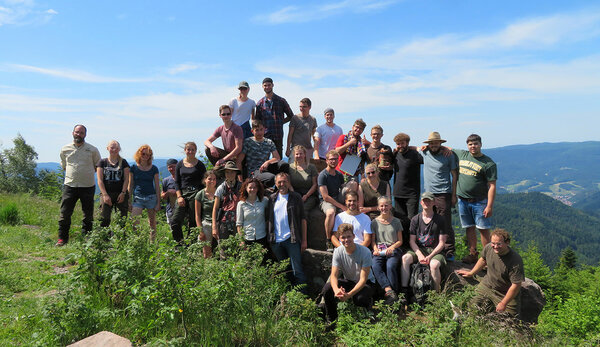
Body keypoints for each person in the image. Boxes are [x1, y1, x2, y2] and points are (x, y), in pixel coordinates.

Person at [456, 229, 524, 316]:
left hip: (504, 292)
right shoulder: (488, 247)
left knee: (510, 321)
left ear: (507, 242)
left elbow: (516, 285)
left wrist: (503, 303)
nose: (495, 246)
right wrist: (471, 273)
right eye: (493, 243)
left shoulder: (515, 260)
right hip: (487, 285)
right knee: (471, 308)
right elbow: (483, 259)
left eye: (499, 244)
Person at [454, 134, 497, 263]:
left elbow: (492, 186)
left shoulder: (488, 163)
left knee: (483, 230)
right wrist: (421, 147)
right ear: (467, 145)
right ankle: (473, 254)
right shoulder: (462, 154)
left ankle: (486, 259)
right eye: (470, 144)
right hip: (463, 200)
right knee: (469, 227)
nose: (473, 146)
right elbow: (445, 148)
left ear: (481, 144)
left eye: (476, 144)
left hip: (480, 202)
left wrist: (489, 206)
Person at [320, 223, 376, 322]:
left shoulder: (365, 252)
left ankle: (367, 313)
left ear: (354, 236)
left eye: (349, 236)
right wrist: (337, 290)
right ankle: (331, 319)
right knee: (327, 289)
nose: (346, 240)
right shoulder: (338, 251)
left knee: (359, 299)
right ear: (339, 239)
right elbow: (333, 275)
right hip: (349, 281)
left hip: (366, 283)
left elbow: (363, 280)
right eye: (343, 237)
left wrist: (349, 295)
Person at [56, 124, 101, 246]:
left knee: (88, 214)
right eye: (77, 132)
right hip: (70, 185)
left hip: (87, 186)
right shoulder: (65, 149)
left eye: (81, 133)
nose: (79, 134)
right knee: (65, 212)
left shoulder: (92, 150)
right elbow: (64, 165)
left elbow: (98, 166)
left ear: (85, 135)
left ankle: (87, 239)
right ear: (72, 133)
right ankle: (62, 239)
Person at [420, 132, 458, 259]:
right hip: (429, 192)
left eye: (436, 142)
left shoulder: (448, 155)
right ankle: (435, 247)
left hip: (443, 192)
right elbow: (411, 147)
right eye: (431, 143)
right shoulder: (425, 152)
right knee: (430, 220)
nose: (433, 145)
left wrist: (453, 195)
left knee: (445, 221)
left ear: (440, 143)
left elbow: (454, 175)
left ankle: (448, 250)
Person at [400, 192, 448, 293]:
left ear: (434, 203)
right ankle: (404, 291)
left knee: (434, 265)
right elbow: (412, 241)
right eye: (424, 200)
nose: (427, 202)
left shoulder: (440, 220)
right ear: (421, 202)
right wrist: (419, 255)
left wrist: (430, 256)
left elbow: (442, 243)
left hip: (435, 252)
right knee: (405, 258)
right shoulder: (415, 219)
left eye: (429, 201)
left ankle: (436, 294)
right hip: (419, 249)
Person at [266, 173, 307, 288]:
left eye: (284, 181)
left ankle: (302, 298)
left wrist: (304, 240)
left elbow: (303, 219)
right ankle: (289, 297)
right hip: (276, 241)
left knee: (297, 270)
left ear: (289, 183)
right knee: (285, 271)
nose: (282, 184)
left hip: (292, 239)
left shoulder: (296, 197)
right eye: (279, 182)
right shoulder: (272, 198)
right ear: (275, 183)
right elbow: (268, 219)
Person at [170, 142, 206, 244]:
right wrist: (179, 197)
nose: (190, 152)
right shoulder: (180, 164)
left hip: (196, 193)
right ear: (185, 150)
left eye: (192, 150)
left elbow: (204, 182)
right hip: (183, 194)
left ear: (195, 151)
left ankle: (191, 245)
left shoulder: (200, 165)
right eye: (188, 149)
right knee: (175, 221)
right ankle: (180, 244)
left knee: (193, 221)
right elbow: (177, 182)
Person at [236, 119, 289, 188]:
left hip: (266, 168)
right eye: (257, 130)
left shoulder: (269, 142)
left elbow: (277, 158)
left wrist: (268, 162)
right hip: (254, 171)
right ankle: (263, 189)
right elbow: (239, 161)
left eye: (261, 129)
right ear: (252, 131)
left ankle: (280, 189)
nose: (259, 132)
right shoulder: (248, 142)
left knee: (284, 165)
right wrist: (240, 179)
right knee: (272, 178)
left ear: (264, 129)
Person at [371, 196, 403, 304]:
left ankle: (394, 294)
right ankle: (389, 291)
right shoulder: (374, 222)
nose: (384, 208)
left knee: (391, 266)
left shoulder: (396, 222)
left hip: (393, 249)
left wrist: (391, 248)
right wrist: (375, 249)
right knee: (375, 265)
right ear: (378, 207)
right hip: (379, 250)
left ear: (390, 206)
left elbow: (400, 241)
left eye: (386, 205)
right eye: (381, 206)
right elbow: (373, 241)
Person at [392, 132, 423, 241]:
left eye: (402, 143)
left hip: (412, 193)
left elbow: (428, 157)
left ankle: (413, 243)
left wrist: (417, 148)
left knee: (412, 220)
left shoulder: (414, 154)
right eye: (398, 144)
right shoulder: (395, 154)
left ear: (407, 143)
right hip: (398, 192)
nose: (400, 146)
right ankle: (403, 243)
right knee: (400, 220)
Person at [254, 77, 294, 158]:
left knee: (278, 160)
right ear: (262, 86)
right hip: (265, 136)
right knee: (264, 159)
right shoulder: (260, 103)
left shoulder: (281, 101)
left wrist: (280, 122)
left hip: (278, 134)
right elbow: (257, 121)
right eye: (265, 85)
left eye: (269, 85)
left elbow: (290, 116)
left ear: (273, 85)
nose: (267, 87)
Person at [129, 145, 161, 242]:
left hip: (151, 197)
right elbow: (130, 185)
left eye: (148, 154)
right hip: (138, 197)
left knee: (152, 223)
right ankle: (138, 241)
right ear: (139, 154)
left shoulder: (154, 168)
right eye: (143, 154)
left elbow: (157, 186)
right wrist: (128, 200)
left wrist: (158, 202)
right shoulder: (133, 168)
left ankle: (152, 244)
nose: (146, 156)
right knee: (134, 221)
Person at [96, 140, 130, 228]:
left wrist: (123, 193)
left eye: (116, 148)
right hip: (106, 193)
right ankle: (104, 238)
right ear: (107, 148)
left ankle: (121, 239)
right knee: (104, 218)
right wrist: (105, 195)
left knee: (122, 219)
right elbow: (100, 180)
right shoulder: (102, 162)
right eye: (112, 147)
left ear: (119, 149)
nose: (114, 150)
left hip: (121, 194)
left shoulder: (124, 162)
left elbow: (127, 179)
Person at [318, 150, 346, 247]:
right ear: (326, 160)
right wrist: (341, 206)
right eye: (331, 159)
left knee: (351, 185)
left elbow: (343, 189)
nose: (333, 161)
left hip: (337, 197)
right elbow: (325, 197)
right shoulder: (323, 175)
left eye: (335, 159)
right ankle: (328, 239)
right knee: (330, 213)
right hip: (326, 201)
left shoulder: (339, 175)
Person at [212, 161, 242, 246]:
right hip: (224, 222)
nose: (230, 174)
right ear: (224, 174)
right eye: (227, 172)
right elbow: (215, 208)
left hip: (238, 222)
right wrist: (214, 227)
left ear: (236, 173)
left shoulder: (241, 187)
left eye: (232, 172)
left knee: (239, 249)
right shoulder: (221, 188)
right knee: (224, 248)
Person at [236, 177, 270, 251]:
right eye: (250, 187)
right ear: (246, 188)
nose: (252, 190)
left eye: (254, 187)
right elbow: (239, 224)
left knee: (262, 261)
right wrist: (241, 240)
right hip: (247, 237)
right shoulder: (241, 204)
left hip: (262, 237)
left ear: (258, 189)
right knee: (249, 261)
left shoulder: (264, 201)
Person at [288, 145, 319, 212]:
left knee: (303, 210)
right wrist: (295, 195)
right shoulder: (290, 167)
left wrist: (306, 196)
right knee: (292, 208)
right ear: (294, 155)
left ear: (305, 154)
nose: (299, 156)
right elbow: (288, 183)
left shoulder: (311, 167)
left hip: (309, 195)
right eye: (297, 154)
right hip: (295, 194)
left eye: (301, 154)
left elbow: (315, 184)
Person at [195, 170, 217, 258]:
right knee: (206, 251)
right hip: (206, 223)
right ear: (205, 180)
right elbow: (197, 215)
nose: (212, 181)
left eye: (214, 179)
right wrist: (200, 231)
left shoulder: (219, 192)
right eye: (210, 179)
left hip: (218, 223)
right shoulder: (200, 194)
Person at [161, 158, 178, 224]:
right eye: (170, 167)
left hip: (183, 209)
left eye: (174, 166)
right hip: (170, 209)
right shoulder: (166, 180)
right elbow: (163, 196)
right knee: (173, 228)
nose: (172, 169)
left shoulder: (183, 179)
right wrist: (168, 193)